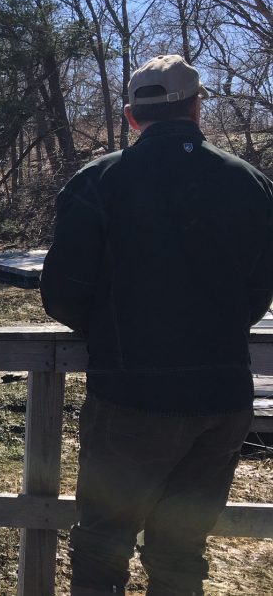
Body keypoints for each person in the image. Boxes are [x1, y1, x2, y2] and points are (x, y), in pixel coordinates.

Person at [41, 54, 273, 595]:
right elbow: (260, 289)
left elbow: (62, 294)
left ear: (130, 116)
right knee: (180, 551)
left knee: (102, 545)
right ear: (196, 108)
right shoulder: (251, 185)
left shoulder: (100, 182)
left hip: (131, 398)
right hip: (222, 398)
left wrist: (116, 335)